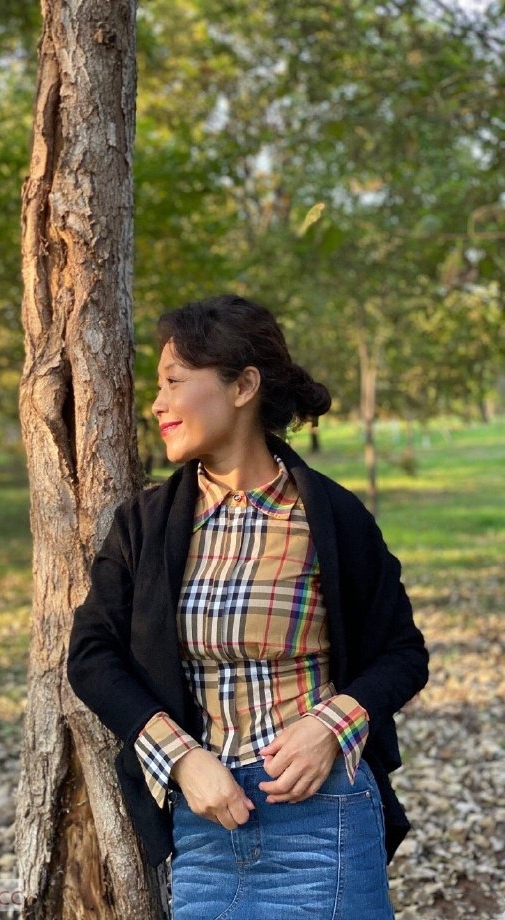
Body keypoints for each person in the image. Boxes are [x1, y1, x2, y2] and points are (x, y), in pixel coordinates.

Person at [67, 293, 429, 919]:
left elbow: (403, 653)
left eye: (174, 381)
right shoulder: (144, 525)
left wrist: (332, 726)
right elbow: (91, 655)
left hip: (322, 819)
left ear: (243, 387)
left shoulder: (331, 517)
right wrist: (181, 759)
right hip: (204, 827)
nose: (157, 403)